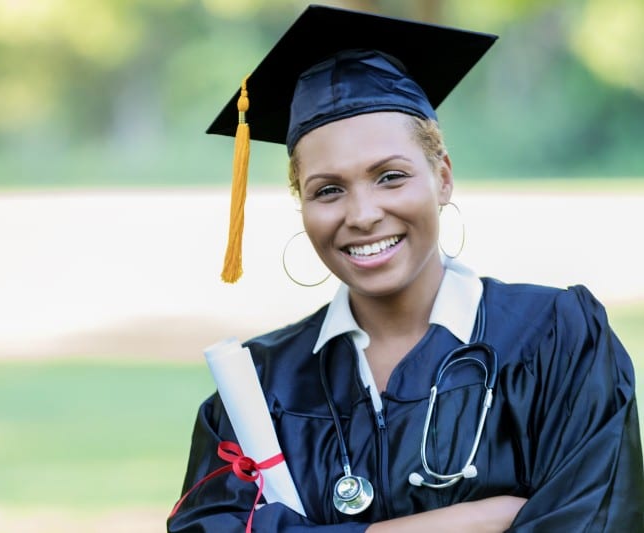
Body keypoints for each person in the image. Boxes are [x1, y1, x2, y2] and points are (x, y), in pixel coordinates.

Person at [167, 5, 644, 532]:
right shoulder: (257, 388)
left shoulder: (558, 340)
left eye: (390, 177)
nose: (363, 214)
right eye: (328, 190)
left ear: (442, 177)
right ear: (300, 204)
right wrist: (470, 521)